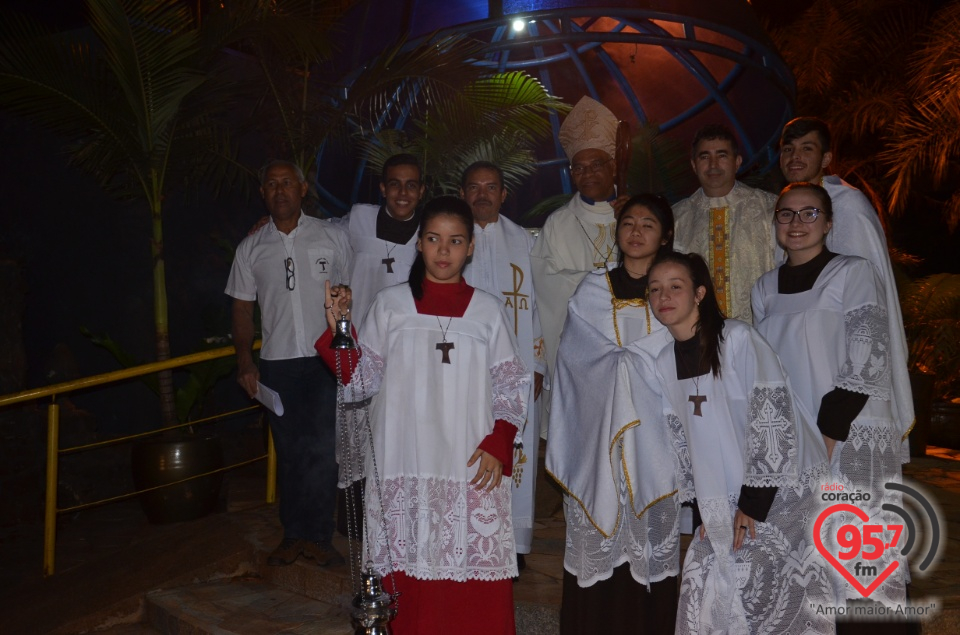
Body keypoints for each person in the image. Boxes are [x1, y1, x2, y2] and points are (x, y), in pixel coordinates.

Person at [315, 196, 529, 634]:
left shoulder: (487, 311)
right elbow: (360, 383)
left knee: (471, 578)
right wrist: (339, 329)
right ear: (420, 244)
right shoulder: (391, 306)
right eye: (433, 239)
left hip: (470, 462)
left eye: (455, 241)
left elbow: (512, 385)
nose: (444, 250)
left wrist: (500, 440)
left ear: (471, 247)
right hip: (404, 464)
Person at [648, 252, 834, 634]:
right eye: (654, 289)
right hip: (723, 498)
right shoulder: (665, 360)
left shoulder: (736, 339)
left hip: (777, 494)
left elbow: (772, 418)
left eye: (675, 286)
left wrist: (753, 503)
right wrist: (704, 510)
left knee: (775, 599)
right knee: (713, 592)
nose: (663, 296)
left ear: (700, 293)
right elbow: (683, 441)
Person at [752, 183, 909, 629]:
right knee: (806, 555)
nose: (797, 223)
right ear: (776, 221)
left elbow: (866, 352)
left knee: (858, 554)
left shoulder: (852, 272)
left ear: (829, 222)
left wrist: (828, 432)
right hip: (796, 437)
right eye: (787, 214)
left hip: (851, 431)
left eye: (809, 213)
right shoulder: (763, 288)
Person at [547, 194, 680, 634]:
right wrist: (625, 366)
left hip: (655, 438)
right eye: (628, 223)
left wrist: (631, 364)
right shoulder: (592, 288)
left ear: (665, 236)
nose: (636, 232)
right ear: (617, 231)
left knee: (651, 542)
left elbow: (682, 353)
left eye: (648, 224)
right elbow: (573, 359)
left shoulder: (672, 291)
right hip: (598, 436)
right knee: (597, 542)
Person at [226, 159, 353, 566]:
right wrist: (246, 361)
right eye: (271, 184)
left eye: (287, 183)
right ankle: (293, 534)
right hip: (277, 363)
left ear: (302, 189)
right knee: (289, 451)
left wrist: (349, 351)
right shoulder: (251, 247)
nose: (279, 190)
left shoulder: (332, 237)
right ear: (263, 193)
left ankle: (318, 537)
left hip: (323, 359)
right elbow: (242, 312)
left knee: (321, 450)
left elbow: (349, 297)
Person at [779, 117, 914, 456]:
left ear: (826, 159)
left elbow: (869, 296)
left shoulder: (848, 205)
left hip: (847, 359)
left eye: (806, 149)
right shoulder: (786, 207)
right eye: (788, 149)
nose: (795, 157)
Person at [460, 161, 546, 569]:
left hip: (518, 365)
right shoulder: (454, 238)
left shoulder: (525, 241)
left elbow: (539, 306)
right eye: (474, 187)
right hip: (465, 367)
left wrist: (540, 364)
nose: (482, 194)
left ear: (503, 194)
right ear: (463, 194)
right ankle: (471, 536)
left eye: (490, 187)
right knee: (472, 448)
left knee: (517, 451)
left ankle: (511, 544)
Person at [531, 95, 629, 433]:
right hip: (578, 354)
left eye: (596, 164)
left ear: (613, 167)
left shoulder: (641, 216)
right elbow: (544, 282)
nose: (587, 174)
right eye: (578, 167)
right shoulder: (558, 224)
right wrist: (602, 282)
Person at [672, 123, 777, 324]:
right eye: (704, 157)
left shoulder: (770, 208)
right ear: (694, 164)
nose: (713, 165)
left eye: (722, 155)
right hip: (699, 333)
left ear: (737, 162)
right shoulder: (677, 217)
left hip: (759, 331)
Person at [334, 153, 425, 326]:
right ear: (383, 189)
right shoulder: (360, 218)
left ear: (421, 191)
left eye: (411, 185)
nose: (403, 192)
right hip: (358, 328)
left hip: (404, 331)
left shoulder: (429, 232)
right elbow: (323, 232)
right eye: (394, 184)